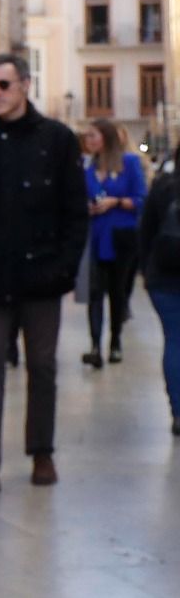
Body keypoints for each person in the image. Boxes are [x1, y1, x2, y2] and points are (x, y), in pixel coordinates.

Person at [0, 53, 87, 494]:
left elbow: (74, 212)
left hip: (43, 278)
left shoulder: (58, 141)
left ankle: (41, 453)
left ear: (25, 84)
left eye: (3, 85)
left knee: (42, 365)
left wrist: (63, 268)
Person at [81, 116, 147, 367]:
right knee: (94, 291)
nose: (88, 141)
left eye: (92, 136)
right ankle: (95, 345)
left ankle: (115, 341)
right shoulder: (87, 168)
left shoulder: (128, 163)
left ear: (105, 138)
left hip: (121, 236)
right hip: (96, 235)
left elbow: (141, 199)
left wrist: (115, 202)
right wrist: (87, 207)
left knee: (117, 291)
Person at [138, 146, 180, 435]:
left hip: (164, 278)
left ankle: (178, 411)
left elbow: (146, 232)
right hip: (164, 278)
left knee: (175, 341)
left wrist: (147, 271)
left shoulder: (163, 188)